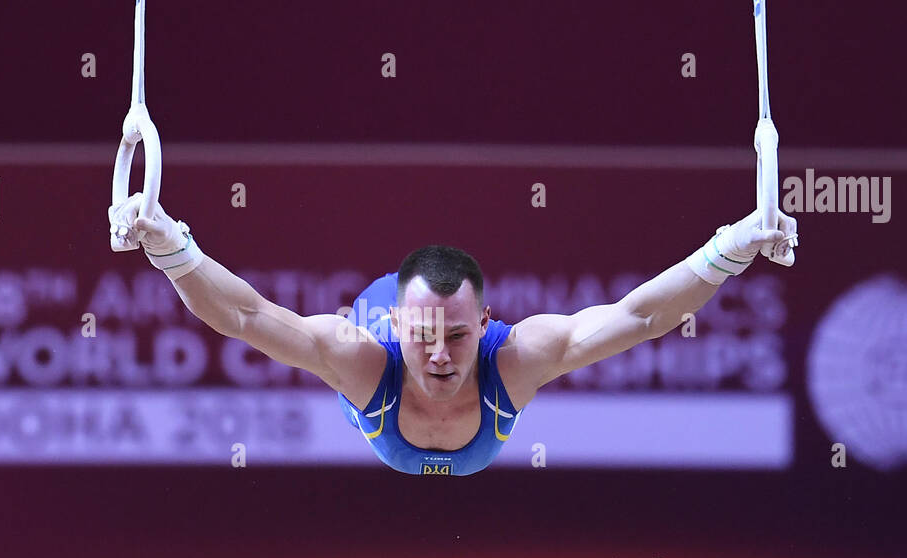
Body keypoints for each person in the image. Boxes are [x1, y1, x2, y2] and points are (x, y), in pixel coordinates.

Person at [107, 195, 798, 475]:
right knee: (336, 340)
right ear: (400, 326)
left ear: (488, 326)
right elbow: (243, 317)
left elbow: (641, 316)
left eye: (459, 337)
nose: (440, 355)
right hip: (378, 329)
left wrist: (730, 246)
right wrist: (172, 245)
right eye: (426, 335)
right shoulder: (361, 356)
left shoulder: (517, 358)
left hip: (429, 342)